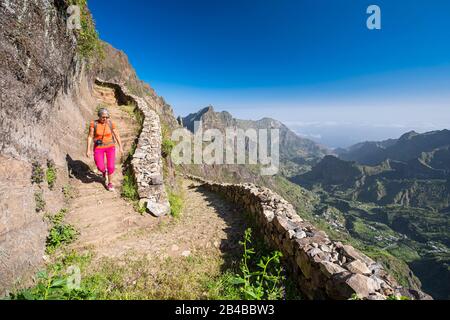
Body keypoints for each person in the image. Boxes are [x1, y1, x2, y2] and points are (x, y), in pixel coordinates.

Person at [86, 108, 124, 191]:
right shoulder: (94, 124)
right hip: (98, 147)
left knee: (111, 166)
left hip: (110, 147)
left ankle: (110, 183)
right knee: (100, 166)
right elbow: (90, 136)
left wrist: (120, 147)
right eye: (103, 117)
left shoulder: (110, 123)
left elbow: (117, 135)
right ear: (99, 116)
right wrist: (88, 149)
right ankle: (104, 172)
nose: (105, 119)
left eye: (107, 117)